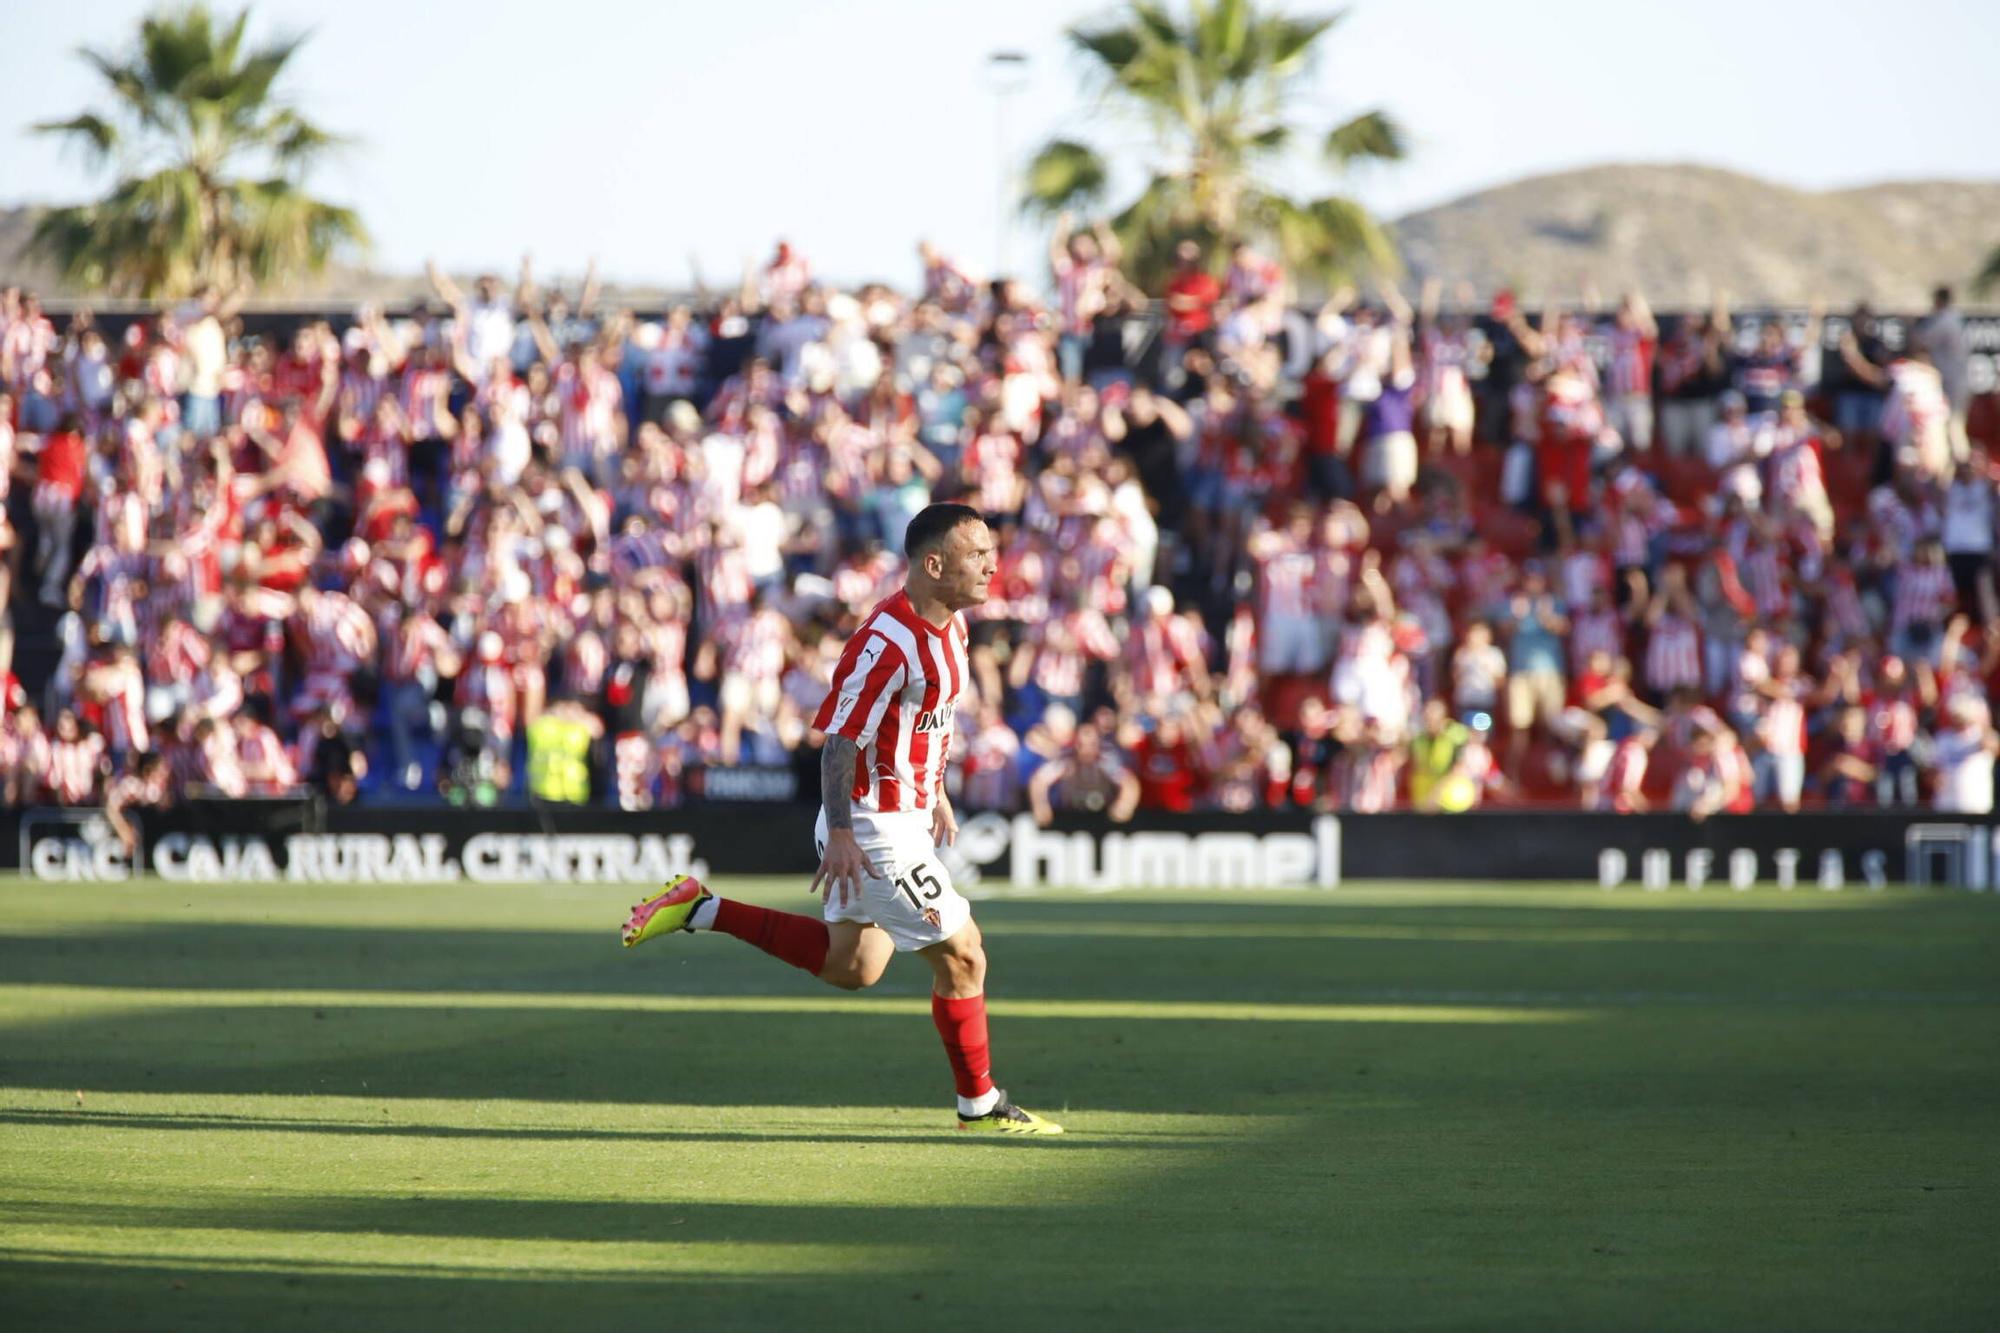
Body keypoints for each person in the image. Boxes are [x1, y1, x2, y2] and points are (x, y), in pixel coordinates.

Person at [621, 503, 1062, 1135]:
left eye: (992, 551)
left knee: (853, 966)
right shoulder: (886, 641)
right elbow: (839, 741)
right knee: (965, 956)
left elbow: (925, 723)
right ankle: (981, 1106)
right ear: (934, 564)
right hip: (874, 827)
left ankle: (699, 908)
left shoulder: (956, 628)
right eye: (977, 554)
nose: (992, 564)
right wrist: (848, 834)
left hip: (904, 816)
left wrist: (934, 790)